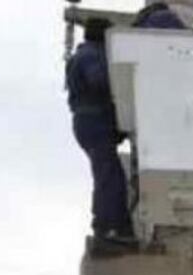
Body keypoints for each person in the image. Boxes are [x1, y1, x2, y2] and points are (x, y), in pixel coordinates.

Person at [66, 18, 133, 239]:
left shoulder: (84, 54)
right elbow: (99, 81)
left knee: (108, 173)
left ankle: (112, 224)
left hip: (89, 122)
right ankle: (108, 226)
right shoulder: (92, 56)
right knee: (109, 175)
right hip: (94, 121)